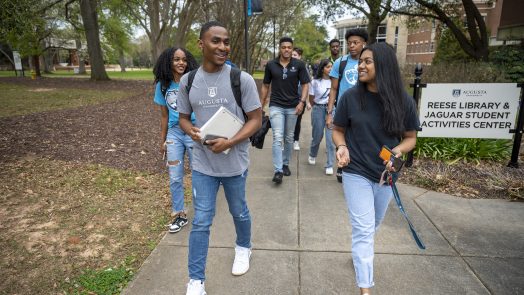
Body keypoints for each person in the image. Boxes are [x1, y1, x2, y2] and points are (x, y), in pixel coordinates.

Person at [177, 21, 262, 295]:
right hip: (203, 165)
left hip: (234, 164)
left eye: (226, 42)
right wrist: (191, 131)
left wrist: (231, 141)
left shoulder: (241, 79)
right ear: (201, 44)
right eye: (216, 41)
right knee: (202, 219)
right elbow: (182, 118)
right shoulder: (188, 81)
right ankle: (196, 281)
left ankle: (243, 247)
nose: (223, 47)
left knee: (239, 211)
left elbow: (256, 120)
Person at [332, 42, 420, 295]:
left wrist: (398, 151)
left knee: (372, 225)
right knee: (363, 230)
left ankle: (360, 256)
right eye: (361, 61)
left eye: (367, 61)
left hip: (386, 176)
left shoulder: (403, 101)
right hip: (355, 171)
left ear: (383, 65)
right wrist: (341, 147)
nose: (360, 65)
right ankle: (365, 289)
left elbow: (410, 138)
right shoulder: (350, 97)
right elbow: (338, 130)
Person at [153, 47, 198, 233]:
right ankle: (179, 214)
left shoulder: (193, 81)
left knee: (199, 174)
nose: (181, 63)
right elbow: (164, 116)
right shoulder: (162, 86)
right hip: (174, 134)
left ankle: (202, 210)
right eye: (176, 59)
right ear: (168, 62)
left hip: (194, 132)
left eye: (184, 59)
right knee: (175, 177)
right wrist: (162, 140)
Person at [260, 37, 310, 184]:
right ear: (279, 48)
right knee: (277, 137)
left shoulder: (299, 65)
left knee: (288, 138)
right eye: (284, 47)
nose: (286, 49)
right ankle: (278, 170)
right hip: (276, 105)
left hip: (293, 106)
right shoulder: (271, 65)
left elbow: (306, 84)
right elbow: (265, 85)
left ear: (292, 48)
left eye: (289, 47)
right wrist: (261, 105)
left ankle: (285, 163)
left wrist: (302, 102)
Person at [326, 28, 368, 182]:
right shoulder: (340, 63)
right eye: (349, 43)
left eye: (355, 43)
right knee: (341, 136)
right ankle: (342, 166)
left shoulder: (369, 62)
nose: (351, 46)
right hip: (344, 108)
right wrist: (330, 112)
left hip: (364, 108)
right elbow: (334, 88)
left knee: (359, 138)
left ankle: (357, 166)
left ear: (364, 43)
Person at [307, 59, 334, 175]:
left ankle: (329, 164)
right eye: (328, 67)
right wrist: (311, 106)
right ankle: (312, 154)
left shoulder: (335, 81)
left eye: (332, 67)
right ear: (322, 68)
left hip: (331, 110)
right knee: (317, 136)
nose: (331, 69)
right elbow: (311, 99)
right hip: (318, 108)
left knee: (330, 139)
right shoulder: (315, 82)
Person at [292, 47, 310, 151]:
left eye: (295, 55)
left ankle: (296, 140)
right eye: (292, 55)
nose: (293, 57)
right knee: (287, 122)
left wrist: (307, 102)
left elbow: (307, 86)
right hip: (289, 99)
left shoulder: (304, 69)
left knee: (297, 122)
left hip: (300, 100)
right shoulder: (287, 66)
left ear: (300, 57)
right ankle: (286, 141)